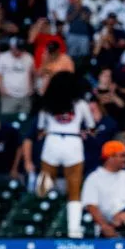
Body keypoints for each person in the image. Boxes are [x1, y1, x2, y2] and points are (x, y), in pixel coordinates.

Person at [36, 71, 96, 238]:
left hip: (52, 141)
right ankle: (74, 231)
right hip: (73, 143)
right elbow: (91, 127)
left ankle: (39, 221)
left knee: (44, 184)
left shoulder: (46, 103)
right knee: (74, 188)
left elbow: (41, 129)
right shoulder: (81, 104)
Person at [82, 140, 125, 238]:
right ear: (110, 157)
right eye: (122, 156)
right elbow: (91, 206)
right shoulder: (94, 178)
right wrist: (105, 226)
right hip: (109, 234)